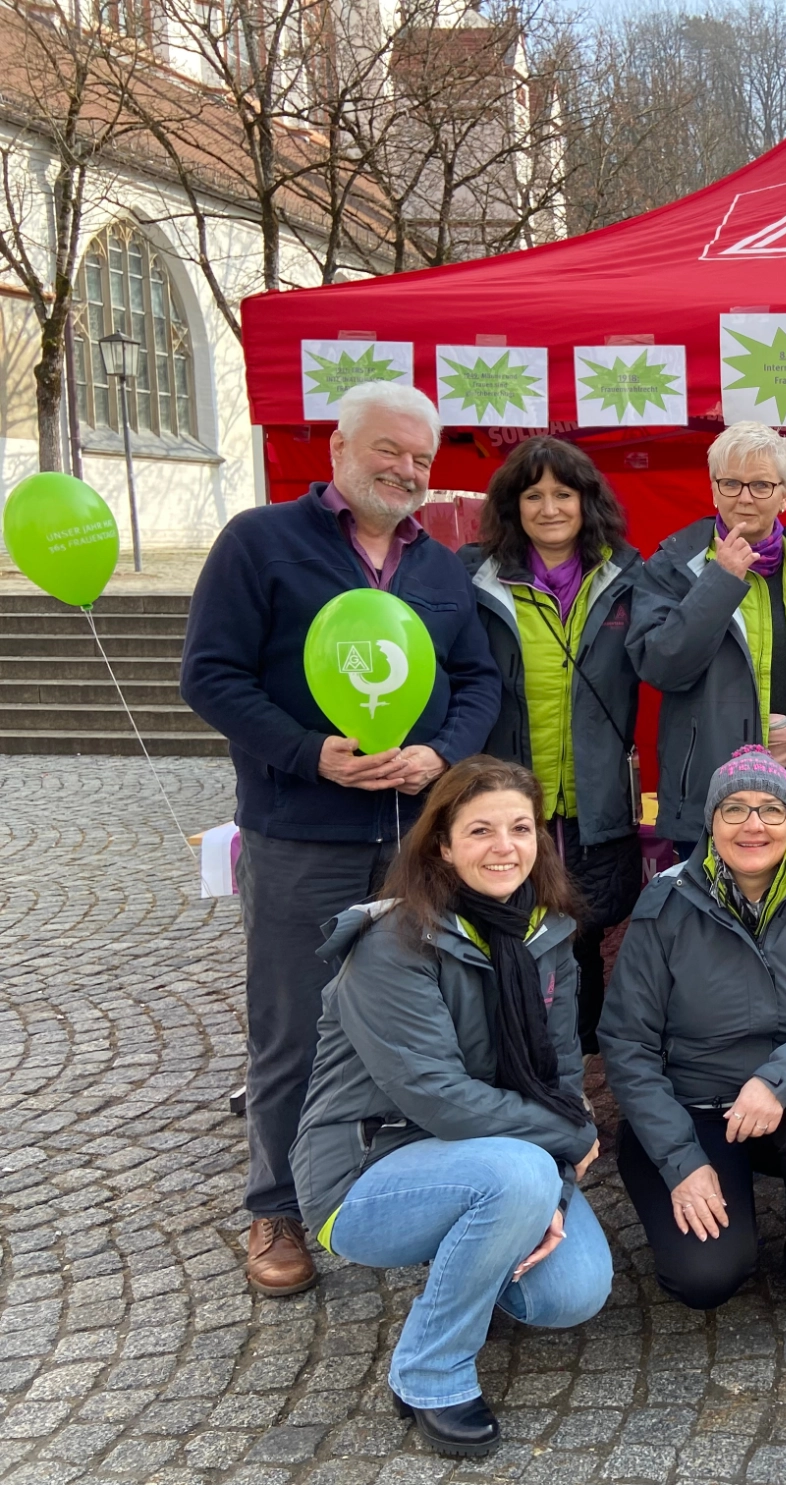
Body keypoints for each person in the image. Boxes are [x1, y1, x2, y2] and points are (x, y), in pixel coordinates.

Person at [181, 381, 500, 1297]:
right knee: (291, 1023)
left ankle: (413, 1182)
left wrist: (441, 751)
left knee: (425, 1016)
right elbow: (209, 675)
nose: (405, 470)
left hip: (414, 839)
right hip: (301, 833)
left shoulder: (439, 568)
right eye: (388, 450)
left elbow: (477, 682)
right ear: (337, 449)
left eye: (420, 459)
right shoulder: (260, 542)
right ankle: (274, 1205)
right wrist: (307, 753)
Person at [292, 757, 609, 1460]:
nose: (505, 846)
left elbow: (558, 1076)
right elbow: (439, 1096)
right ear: (442, 844)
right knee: (517, 1178)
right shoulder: (390, 944)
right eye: (481, 830)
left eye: (521, 827)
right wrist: (561, 1144)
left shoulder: (548, 936)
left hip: (503, 1156)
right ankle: (430, 1372)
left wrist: (554, 1184)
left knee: (572, 1292)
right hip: (367, 1169)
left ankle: (473, 1257)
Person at [600, 746, 786, 1337]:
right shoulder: (666, 902)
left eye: (771, 810)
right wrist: (680, 1160)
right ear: (709, 822)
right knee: (706, 1280)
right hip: (692, 1110)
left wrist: (776, 1080)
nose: (754, 824)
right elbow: (627, 1042)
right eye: (735, 809)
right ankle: (702, 1186)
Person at [461, 436, 644, 1052]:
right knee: (506, 926)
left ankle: (579, 1059)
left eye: (562, 493)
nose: (548, 508)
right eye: (532, 495)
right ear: (511, 506)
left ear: (586, 501)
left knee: (583, 933)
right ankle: (513, 1051)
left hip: (593, 799)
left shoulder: (627, 575)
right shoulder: (476, 578)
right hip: (507, 795)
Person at [627, 423, 786, 856]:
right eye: (731, 483)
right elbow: (661, 666)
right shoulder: (672, 567)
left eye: (761, 485)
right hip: (708, 798)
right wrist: (720, 582)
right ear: (713, 490)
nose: (744, 497)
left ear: (784, 494)